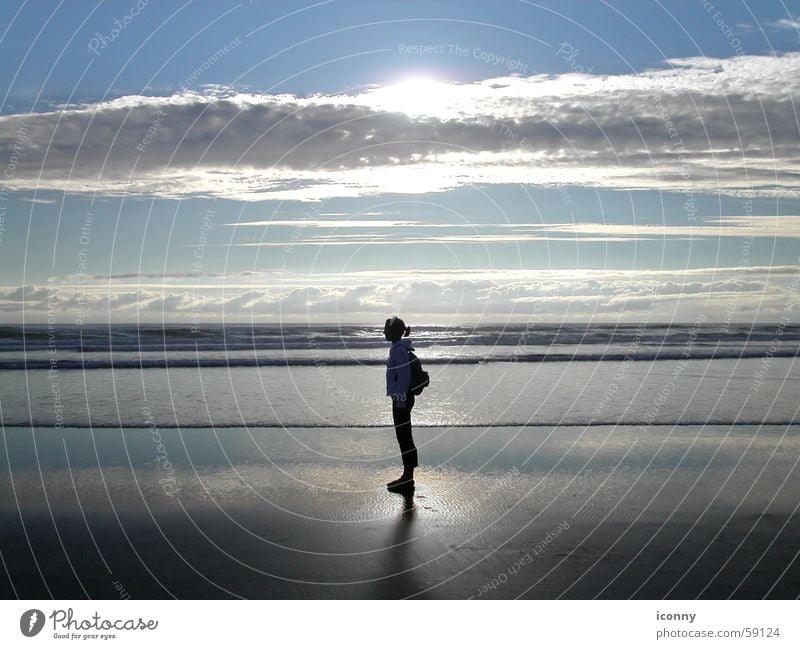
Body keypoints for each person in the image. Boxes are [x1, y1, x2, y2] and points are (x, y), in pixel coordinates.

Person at [384, 316, 417, 491]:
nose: (383, 332)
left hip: (402, 399)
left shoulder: (399, 350)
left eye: (386, 329)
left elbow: (404, 377)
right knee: (403, 436)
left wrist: (401, 401)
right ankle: (407, 476)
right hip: (401, 398)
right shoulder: (398, 348)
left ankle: (408, 478)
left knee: (404, 437)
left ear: (394, 331)